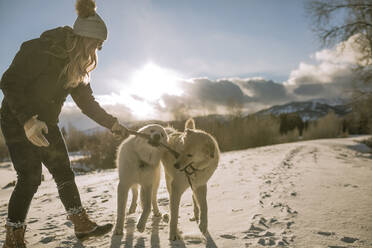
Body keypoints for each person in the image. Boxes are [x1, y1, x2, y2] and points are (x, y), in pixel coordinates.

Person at [0, 0, 129, 247]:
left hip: (46, 122)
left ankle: (81, 225)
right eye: (97, 44)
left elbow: (87, 103)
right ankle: (13, 239)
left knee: (63, 172)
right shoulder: (39, 50)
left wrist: (112, 124)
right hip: (17, 119)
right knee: (29, 177)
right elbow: (9, 82)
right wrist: (27, 121)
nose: (98, 51)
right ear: (83, 38)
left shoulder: (77, 68)